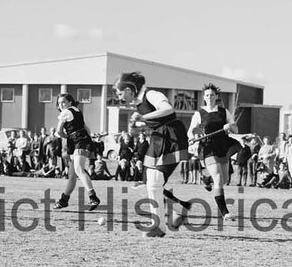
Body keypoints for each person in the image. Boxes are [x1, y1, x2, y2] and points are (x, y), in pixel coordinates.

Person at [113, 72, 192, 237]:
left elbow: (168, 109)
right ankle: (176, 210)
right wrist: (137, 125)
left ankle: (159, 226)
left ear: (128, 90)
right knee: (150, 181)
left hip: (171, 135)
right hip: (159, 137)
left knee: (154, 179)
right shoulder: (139, 102)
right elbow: (152, 122)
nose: (119, 98)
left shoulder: (151, 94)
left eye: (120, 94)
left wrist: (143, 117)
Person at [186, 83, 244, 222]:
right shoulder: (199, 113)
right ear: (204, 97)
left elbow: (235, 129)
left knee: (224, 179)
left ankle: (207, 179)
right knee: (218, 178)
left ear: (216, 96)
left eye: (212, 95)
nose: (209, 97)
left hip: (222, 146)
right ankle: (225, 212)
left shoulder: (224, 111)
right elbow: (191, 131)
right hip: (208, 147)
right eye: (207, 95)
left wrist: (230, 125)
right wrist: (193, 136)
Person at [52, 92, 101, 211]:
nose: (61, 104)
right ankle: (64, 200)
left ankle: (93, 197)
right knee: (73, 175)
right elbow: (86, 128)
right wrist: (89, 139)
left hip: (78, 141)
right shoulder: (77, 111)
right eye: (59, 103)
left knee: (78, 169)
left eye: (63, 102)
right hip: (81, 141)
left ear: (70, 102)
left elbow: (59, 131)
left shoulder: (66, 112)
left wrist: (67, 137)